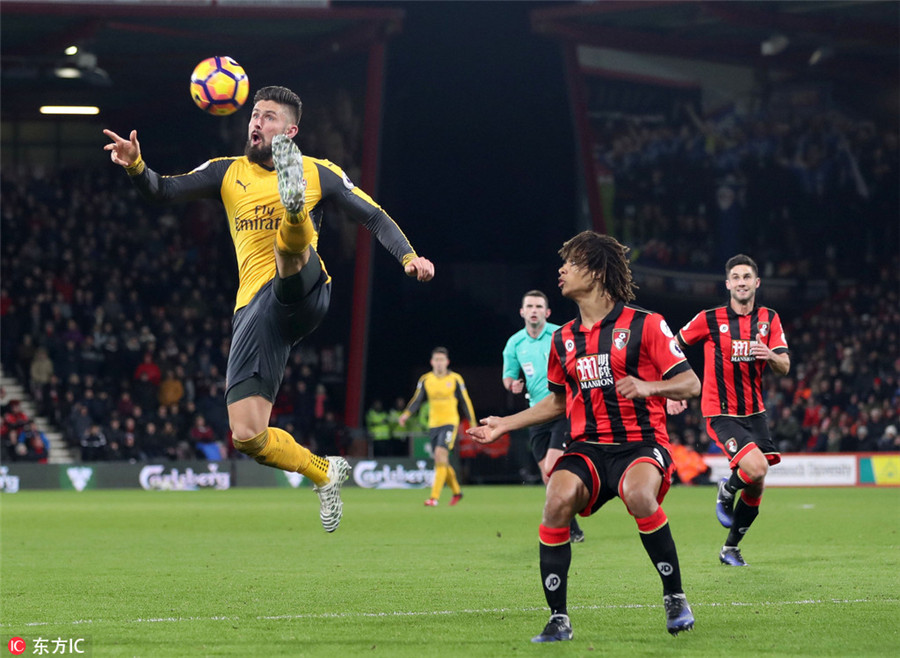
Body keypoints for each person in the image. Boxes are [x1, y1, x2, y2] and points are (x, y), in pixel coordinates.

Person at [104, 85, 434, 532]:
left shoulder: (320, 171)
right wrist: (135, 165)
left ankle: (294, 212)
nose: (257, 122)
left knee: (287, 249)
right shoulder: (226, 172)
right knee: (247, 435)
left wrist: (409, 257)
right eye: (255, 114)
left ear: (290, 131)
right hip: (255, 310)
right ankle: (323, 472)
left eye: (269, 116)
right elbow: (162, 190)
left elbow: (373, 215)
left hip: (306, 287)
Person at [468, 231, 700, 641]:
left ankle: (674, 596)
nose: (561, 270)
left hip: (640, 444)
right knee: (555, 500)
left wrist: (650, 387)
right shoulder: (563, 338)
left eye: (571, 263)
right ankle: (559, 619)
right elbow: (558, 402)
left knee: (638, 494)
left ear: (595, 272)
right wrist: (505, 423)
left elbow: (690, 383)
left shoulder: (646, 324)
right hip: (588, 447)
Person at [676, 254, 790, 567]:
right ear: (727, 284)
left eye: (747, 277)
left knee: (757, 483)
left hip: (755, 412)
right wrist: (674, 388)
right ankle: (726, 489)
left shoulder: (769, 319)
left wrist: (769, 354)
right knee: (756, 468)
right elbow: (674, 346)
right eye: (736, 277)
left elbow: (784, 365)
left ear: (757, 282)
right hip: (721, 411)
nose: (742, 282)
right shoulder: (709, 318)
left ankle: (730, 549)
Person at [502, 290, 584, 543]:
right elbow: (508, 376)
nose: (534, 310)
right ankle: (573, 527)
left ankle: (562, 524)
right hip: (536, 414)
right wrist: (512, 385)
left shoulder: (560, 334)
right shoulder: (515, 343)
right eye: (530, 306)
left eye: (539, 306)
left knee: (552, 467)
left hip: (561, 410)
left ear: (547, 312)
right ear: (522, 312)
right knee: (548, 477)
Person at [399, 347, 476, 506]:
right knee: (441, 460)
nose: (439, 363)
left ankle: (434, 498)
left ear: (447, 362)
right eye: (436, 360)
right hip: (434, 424)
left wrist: (473, 422)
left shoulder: (455, 378)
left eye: (442, 360)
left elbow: (465, 400)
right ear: (432, 362)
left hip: (450, 422)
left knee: (440, 455)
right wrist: (406, 414)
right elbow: (417, 399)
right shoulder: (426, 379)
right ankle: (457, 492)